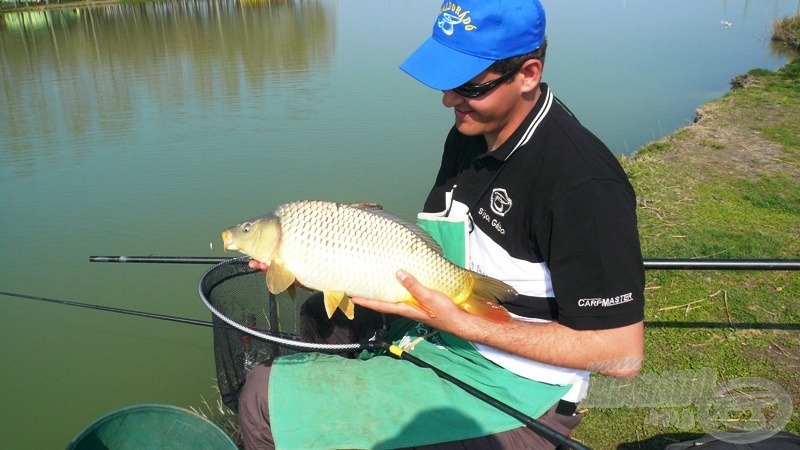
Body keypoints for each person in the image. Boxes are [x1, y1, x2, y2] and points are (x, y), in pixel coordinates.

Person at [238, 0, 645, 448]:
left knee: (260, 397)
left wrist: (462, 324)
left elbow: (621, 354)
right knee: (321, 315)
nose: (449, 99)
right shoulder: (469, 134)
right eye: (446, 81)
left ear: (529, 74)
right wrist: (318, 260)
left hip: (522, 392)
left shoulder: (583, 185)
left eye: (468, 86)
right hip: (443, 333)